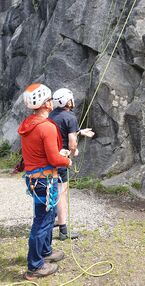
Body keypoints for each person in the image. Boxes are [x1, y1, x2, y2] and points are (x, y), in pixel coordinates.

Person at [18, 83, 72, 281]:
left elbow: (42, 154)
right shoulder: (46, 127)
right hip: (45, 180)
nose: (51, 102)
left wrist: (58, 155)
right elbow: (54, 159)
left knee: (46, 218)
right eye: (49, 99)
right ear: (44, 104)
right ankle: (35, 265)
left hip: (35, 179)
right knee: (42, 222)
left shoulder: (28, 124)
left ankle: (46, 251)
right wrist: (67, 159)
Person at [49, 88, 95, 240]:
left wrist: (79, 131)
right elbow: (72, 143)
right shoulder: (70, 117)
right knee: (62, 193)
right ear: (67, 101)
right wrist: (73, 152)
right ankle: (63, 231)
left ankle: (52, 220)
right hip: (61, 159)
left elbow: (61, 129)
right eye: (71, 98)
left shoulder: (51, 115)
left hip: (50, 159)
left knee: (52, 190)